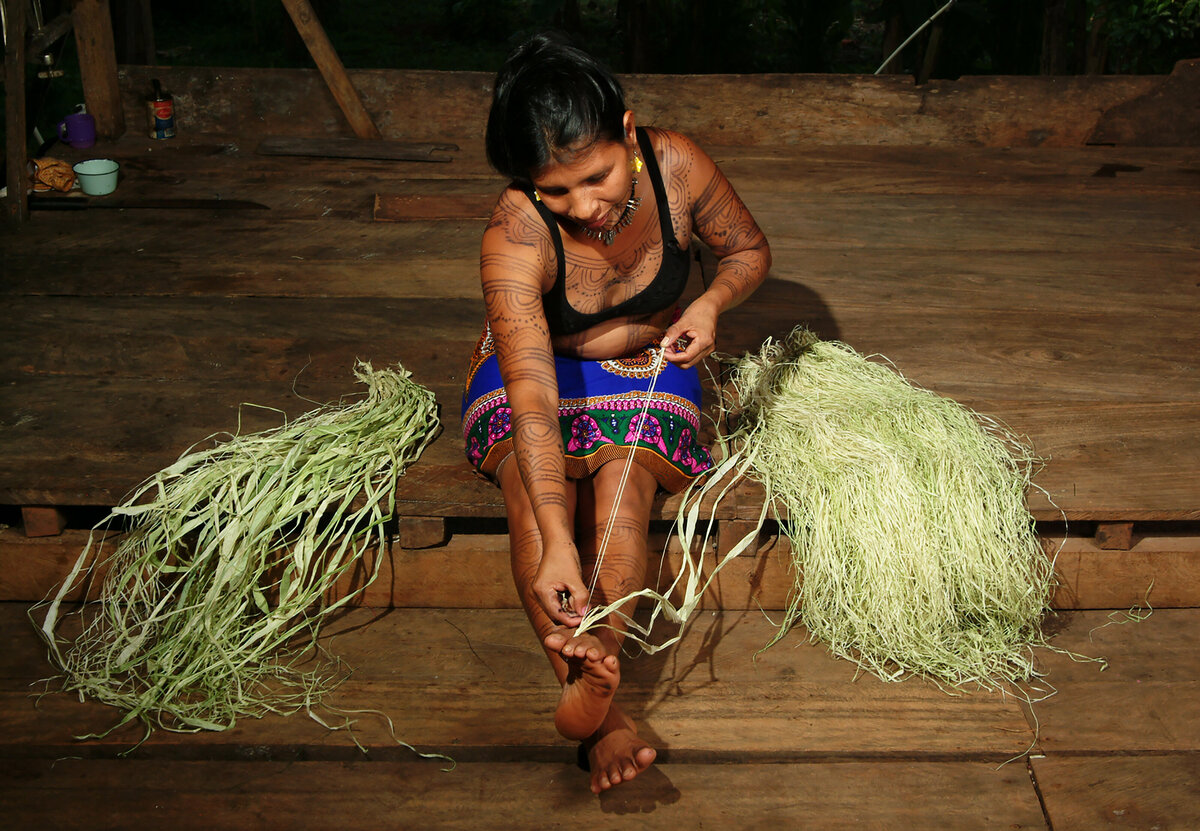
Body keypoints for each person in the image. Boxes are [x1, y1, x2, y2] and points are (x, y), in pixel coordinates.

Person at [461, 32, 771, 793]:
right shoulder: (514, 232)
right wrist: (557, 543)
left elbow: (747, 251)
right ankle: (601, 704)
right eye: (555, 190)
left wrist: (708, 300)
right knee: (536, 504)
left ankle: (595, 683)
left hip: (650, 359)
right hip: (533, 371)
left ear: (628, 135)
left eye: (595, 177)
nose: (584, 205)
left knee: (624, 493)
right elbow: (534, 400)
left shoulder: (677, 165)